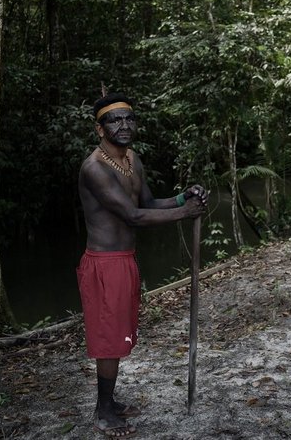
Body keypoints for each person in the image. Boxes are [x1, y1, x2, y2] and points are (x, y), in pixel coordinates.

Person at [77, 92, 207, 437]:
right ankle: (103, 411)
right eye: (114, 120)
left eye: (128, 118)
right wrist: (185, 214)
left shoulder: (133, 159)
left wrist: (183, 198)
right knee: (108, 339)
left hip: (126, 261)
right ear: (99, 128)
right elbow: (133, 216)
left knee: (119, 335)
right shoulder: (94, 168)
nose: (123, 125)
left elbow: (149, 202)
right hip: (104, 264)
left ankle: (111, 402)